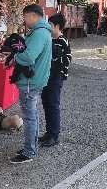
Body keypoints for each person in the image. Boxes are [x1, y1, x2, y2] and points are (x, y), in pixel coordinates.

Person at [9, 4, 52, 164]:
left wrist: (15, 58)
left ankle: (29, 151)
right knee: (32, 115)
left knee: (29, 117)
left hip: (30, 81)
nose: (24, 20)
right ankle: (31, 147)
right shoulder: (42, 32)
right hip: (35, 80)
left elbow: (28, 57)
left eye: (25, 17)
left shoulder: (39, 33)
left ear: (33, 16)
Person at [40, 13, 72, 148]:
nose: (48, 27)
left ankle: (54, 135)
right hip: (46, 76)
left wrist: (55, 62)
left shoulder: (62, 41)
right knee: (46, 103)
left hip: (56, 77)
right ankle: (48, 132)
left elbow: (68, 59)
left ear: (57, 26)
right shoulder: (49, 39)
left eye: (50, 25)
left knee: (53, 105)